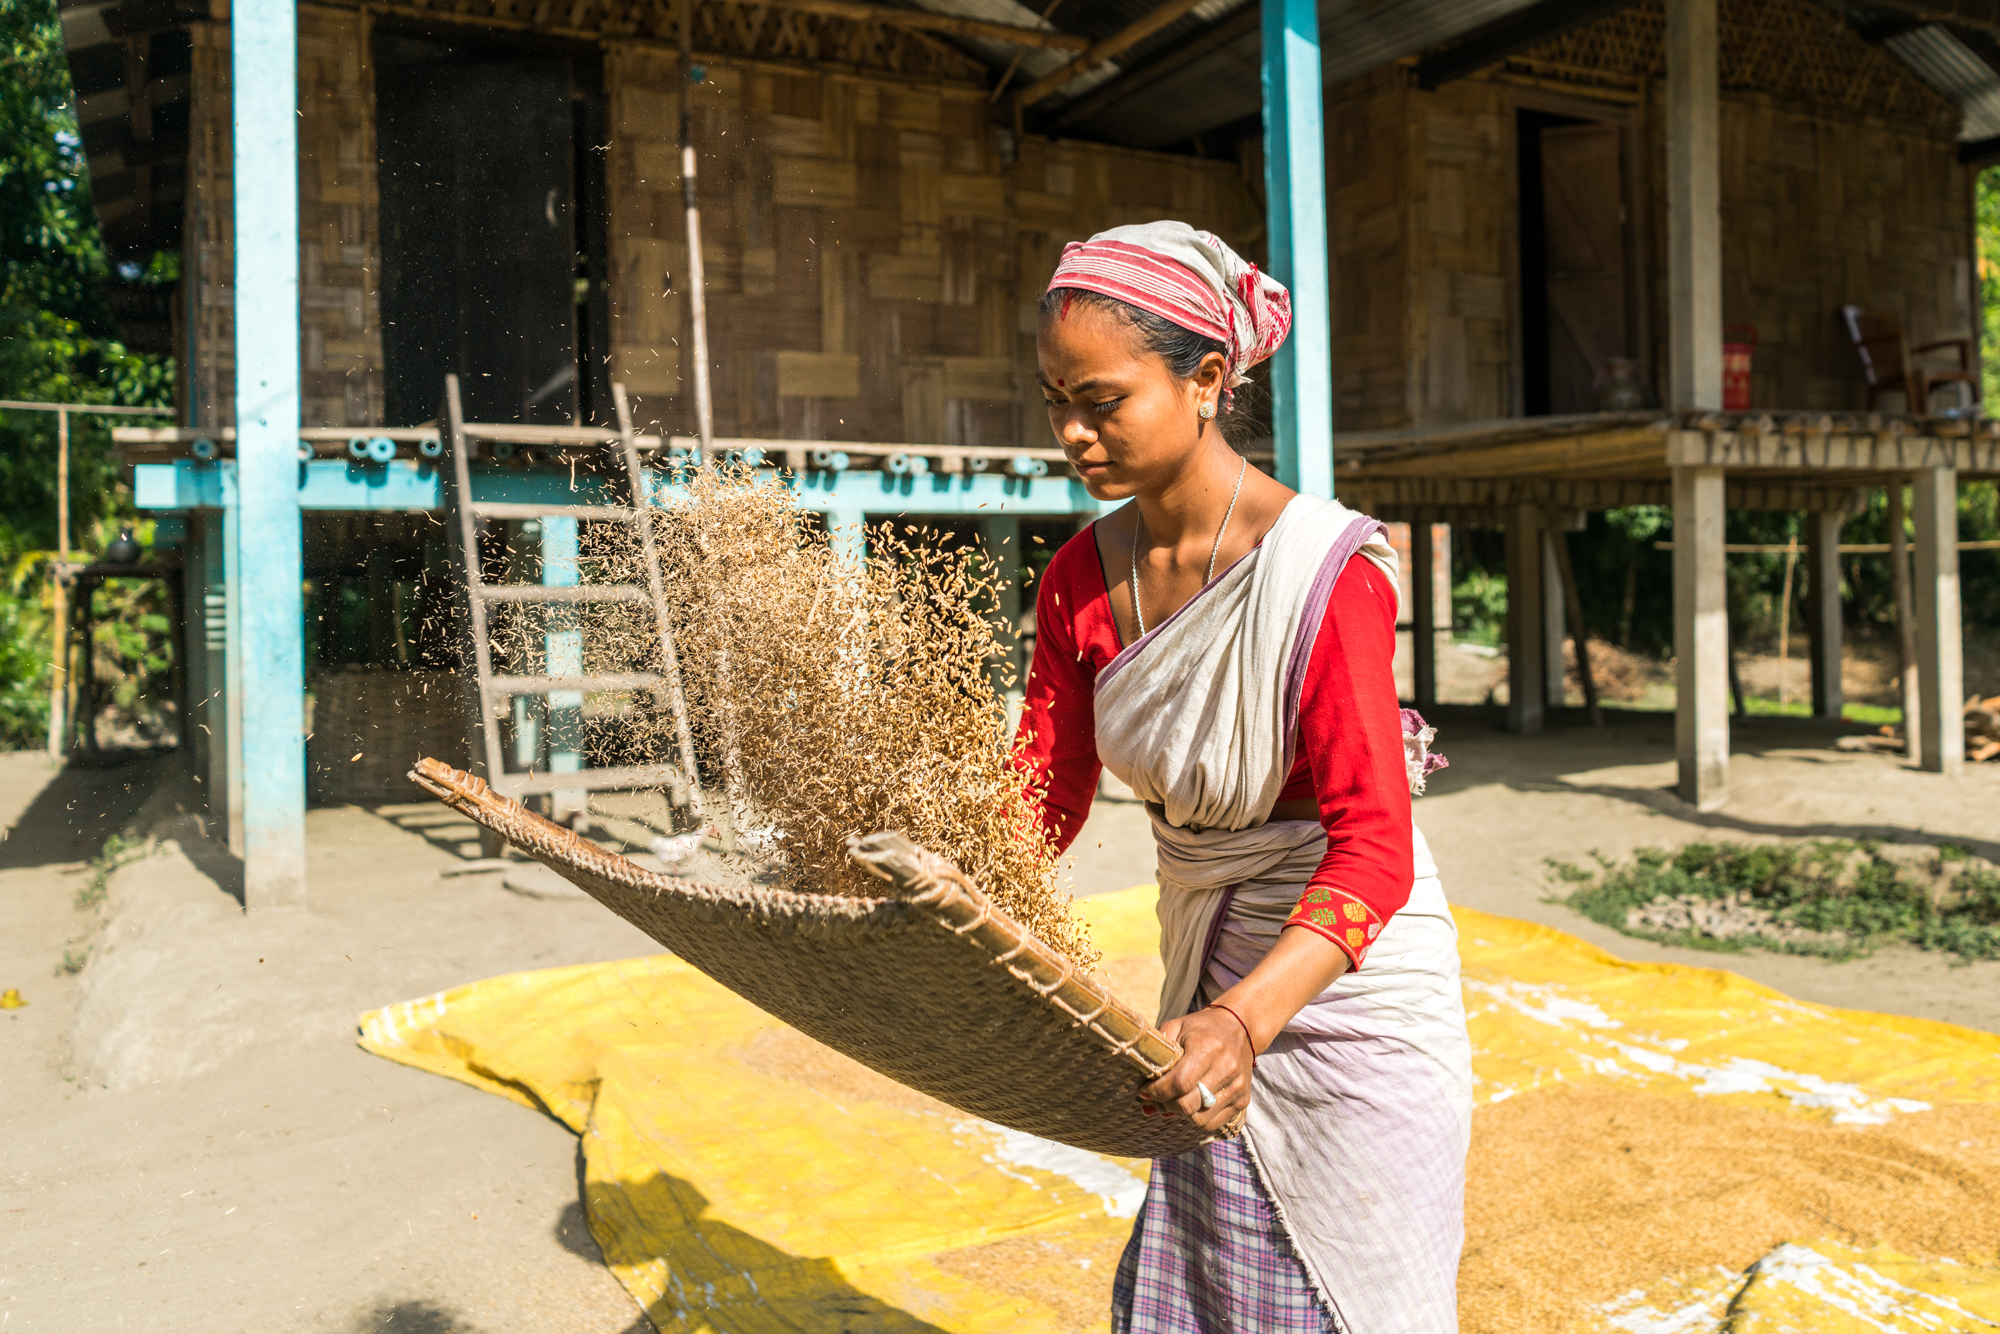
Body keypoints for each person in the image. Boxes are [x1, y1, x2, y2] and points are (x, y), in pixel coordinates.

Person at [1014, 222, 1472, 1334]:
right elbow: (1041, 794)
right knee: (1210, 1280)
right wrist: (937, 896)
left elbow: (1374, 844)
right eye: (1053, 401)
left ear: (1207, 378)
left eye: (1102, 400)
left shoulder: (1320, 573)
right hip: (1207, 988)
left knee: (1355, 1289)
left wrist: (1238, 1021)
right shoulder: (1080, 579)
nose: (1071, 433)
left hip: (1343, 990)